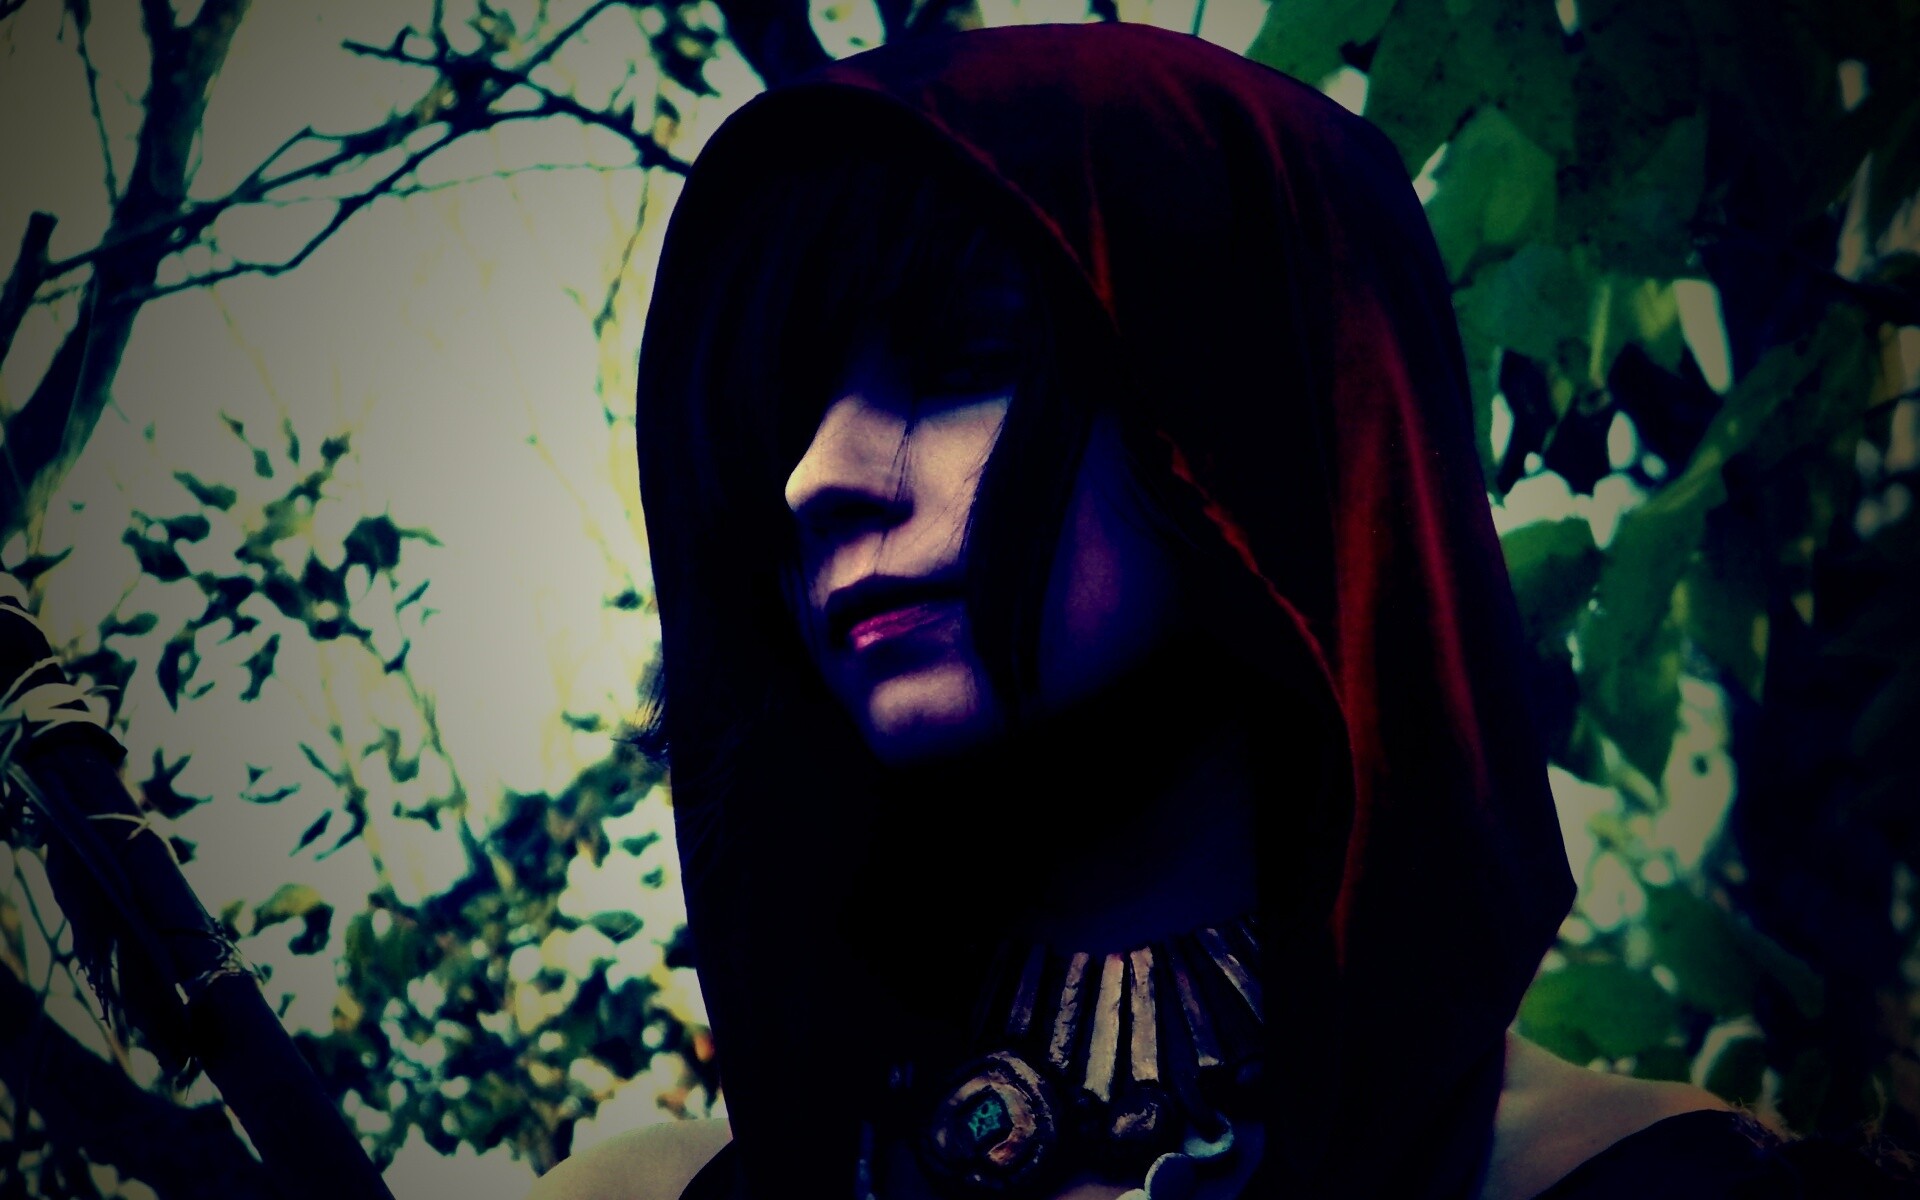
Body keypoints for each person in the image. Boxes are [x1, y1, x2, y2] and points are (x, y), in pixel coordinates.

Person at [528, 21, 1900, 1200]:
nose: (815, 478)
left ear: (1262, 414)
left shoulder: (1654, 1183)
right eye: (780, 417)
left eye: (966, 358)